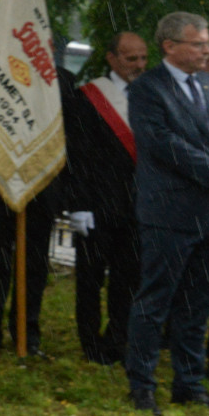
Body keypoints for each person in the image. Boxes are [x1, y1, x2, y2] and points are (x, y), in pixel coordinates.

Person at [124, 12, 209, 415]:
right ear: (170, 46)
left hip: (208, 213)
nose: (206, 50)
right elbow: (162, 143)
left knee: (198, 305)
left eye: (206, 43)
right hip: (169, 212)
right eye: (198, 43)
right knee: (154, 303)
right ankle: (141, 385)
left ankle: (189, 382)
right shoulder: (147, 89)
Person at [0, 66, 77, 358]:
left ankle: (27, 334)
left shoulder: (64, 80)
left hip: (44, 183)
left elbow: (72, 132)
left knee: (35, 261)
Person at [63, 31, 146, 365]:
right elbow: (78, 156)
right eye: (131, 59)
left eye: (143, 58)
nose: (139, 65)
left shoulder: (151, 95)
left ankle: (117, 341)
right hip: (96, 205)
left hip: (138, 205)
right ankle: (90, 342)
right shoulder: (89, 97)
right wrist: (78, 206)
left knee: (128, 280)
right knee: (90, 280)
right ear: (112, 59)